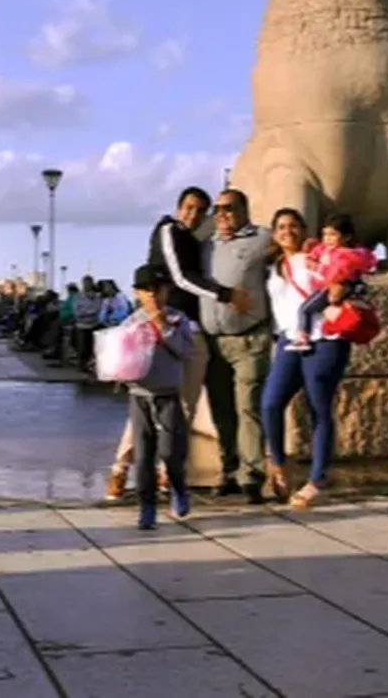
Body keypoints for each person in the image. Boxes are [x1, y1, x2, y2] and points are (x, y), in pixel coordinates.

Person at [105, 187, 252, 501]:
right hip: (162, 327)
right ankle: (120, 469)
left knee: (185, 407)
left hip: (193, 331)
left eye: (200, 210)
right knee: (147, 403)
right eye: (188, 207)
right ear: (178, 207)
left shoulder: (197, 241)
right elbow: (180, 277)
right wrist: (227, 295)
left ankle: (167, 473)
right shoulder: (168, 230)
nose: (193, 214)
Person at [261, 208, 356, 508]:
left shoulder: (318, 257)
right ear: (274, 233)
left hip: (324, 338)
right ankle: (279, 463)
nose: (287, 231)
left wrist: (340, 285)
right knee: (270, 403)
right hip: (289, 339)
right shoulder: (273, 265)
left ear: (304, 229)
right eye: (281, 227)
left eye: (293, 226)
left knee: (319, 408)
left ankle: (317, 480)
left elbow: (346, 277)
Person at [199, 189, 273, 503]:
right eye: (217, 209)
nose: (222, 214)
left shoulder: (263, 239)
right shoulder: (206, 245)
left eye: (228, 208)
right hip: (213, 343)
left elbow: (293, 249)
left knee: (248, 407)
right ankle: (229, 470)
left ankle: (252, 475)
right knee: (222, 411)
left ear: (244, 210)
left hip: (249, 340)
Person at [123, 265, 193, 530]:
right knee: (143, 456)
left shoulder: (177, 319)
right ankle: (147, 505)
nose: (152, 295)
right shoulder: (131, 322)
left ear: (167, 291)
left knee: (170, 452)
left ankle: (179, 487)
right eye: (146, 290)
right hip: (139, 395)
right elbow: (120, 357)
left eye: (158, 289)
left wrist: (163, 327)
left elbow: (186, 351)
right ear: (137, 293)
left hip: (168, 395)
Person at [288, 216, 377, 352]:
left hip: (331, 287)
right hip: (330, 287)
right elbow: (316, 252)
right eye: (325, 234)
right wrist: (310, 255)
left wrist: (318, 269)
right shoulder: (326, 249)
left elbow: (336, 274)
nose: (327, 239)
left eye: (332, 234)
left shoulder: (346, 255)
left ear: (346, 237)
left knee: (305, 310)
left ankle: (302, 336)